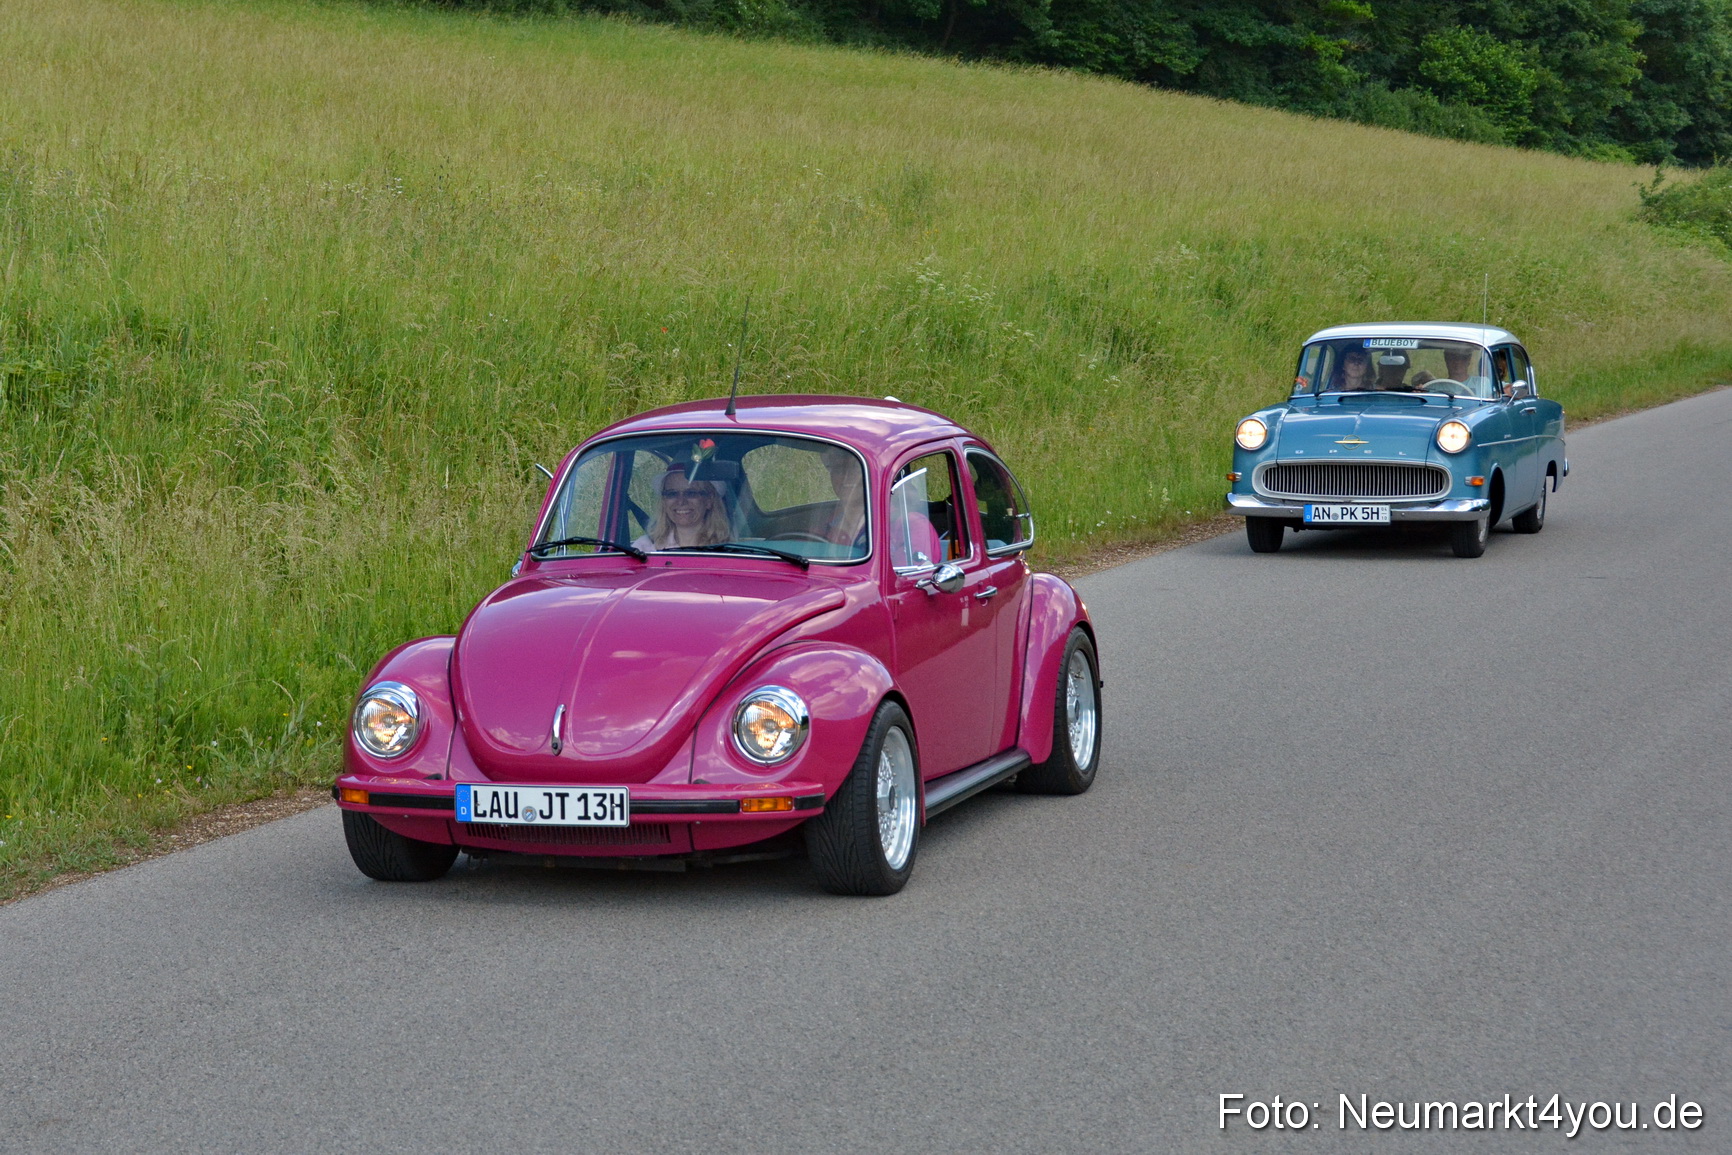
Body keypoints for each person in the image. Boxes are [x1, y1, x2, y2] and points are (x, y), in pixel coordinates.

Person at [632, 468, 731, 552]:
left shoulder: (728, 549)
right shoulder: (644, 548)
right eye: (672, 494)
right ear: (664, 502)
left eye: (691, 493)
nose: (681, 501)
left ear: (709, 500)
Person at [814, 445, 867, 551]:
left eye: (854, 467)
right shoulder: (826, 526)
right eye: (838, 468)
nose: (846, 477)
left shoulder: (897, 523)